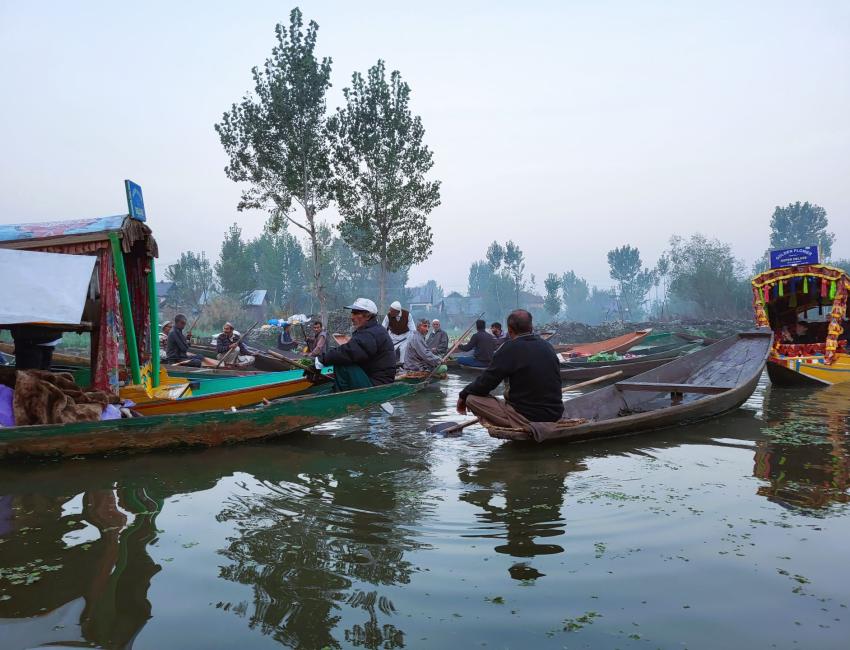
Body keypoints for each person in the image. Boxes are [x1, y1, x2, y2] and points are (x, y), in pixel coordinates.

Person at [457, 310, 564, 434]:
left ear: (510, 330)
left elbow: (485, 384)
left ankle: (517, 424)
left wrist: (463, 395)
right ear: (531, 327)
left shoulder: (509, 348)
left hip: (527, 416)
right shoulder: (547, 346)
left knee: (472, 399)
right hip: (555, 413)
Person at [318, 298, 396, 391]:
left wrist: (321, 361)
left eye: (355, 313)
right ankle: (338, 391)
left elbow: (348, 352)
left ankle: (341, 395)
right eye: (352, 313)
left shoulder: (371, 333)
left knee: (342, 363)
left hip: (377, 385)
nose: (352, 317)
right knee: (340, 359)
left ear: (367, 316)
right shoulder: (372, 330)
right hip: (371, 378)